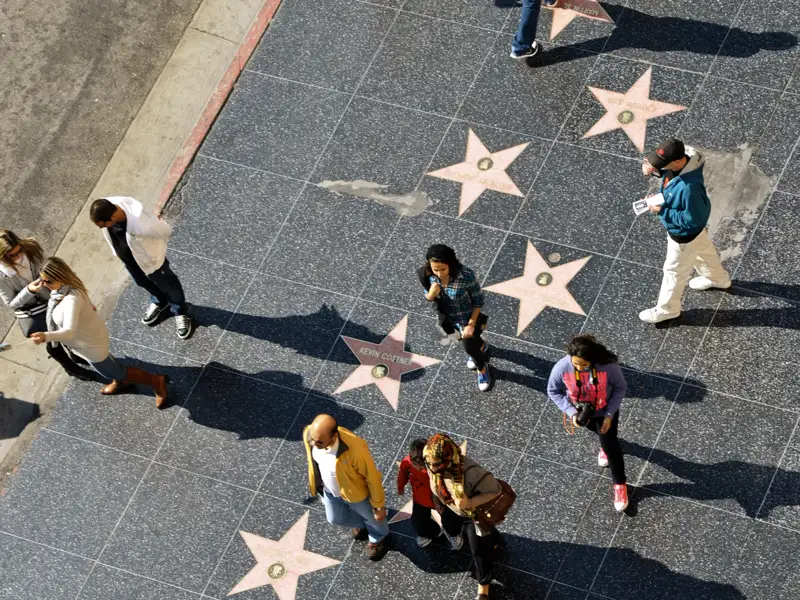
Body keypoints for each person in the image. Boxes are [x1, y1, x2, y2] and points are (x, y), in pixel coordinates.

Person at [28, 257, 169, 408]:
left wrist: (45, 336)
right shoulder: (65, 289)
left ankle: (155, 381)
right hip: (88, 338)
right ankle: (120, 381)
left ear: (60, 277)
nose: (44, 285)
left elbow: (68, 332)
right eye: (42, 280)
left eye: (48, 281)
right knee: (109, 364)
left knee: (113, 371)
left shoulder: (71, 299)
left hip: (90, 344)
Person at [638, 138, 731, 324]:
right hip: (695, 234)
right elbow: (668, 175)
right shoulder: (682, 166)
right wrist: (655, 170)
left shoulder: (689, 189)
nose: (662, 167)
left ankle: (667, 309)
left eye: (664, 165)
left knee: (673, 271)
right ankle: (718, 279)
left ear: (679, 162)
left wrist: (661, 210)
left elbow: (690, 220)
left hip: (683, 236)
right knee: (704, 252)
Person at [89, 197, 194, 339]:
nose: (104, 228)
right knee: (142, 282)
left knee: (170, 286)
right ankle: (160, 301)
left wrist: (156, 255)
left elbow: (164, 230)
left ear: (112, 216)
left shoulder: (140, 222)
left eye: (104, 225)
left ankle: (181, 312)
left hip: (152, 262)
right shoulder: (108, 209)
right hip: (131, 262)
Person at [0, 230, 98, 381]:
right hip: (35, 310)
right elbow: (12, 304)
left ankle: (75, 354)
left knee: (68, 329)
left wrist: (86, 299)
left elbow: (56, 270)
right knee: (53, 340)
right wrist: (29, 291)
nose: (18, 256)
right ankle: (70, 367)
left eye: (20, 250)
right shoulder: (2, 275)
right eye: (12, 255)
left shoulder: (32, 248)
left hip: (55, 297)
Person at [546, 334, 629, 511]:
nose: (579, 368)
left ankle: (620, 484)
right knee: (601, 436)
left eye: (584, 365)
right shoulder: (562, 366)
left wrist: (609, 414)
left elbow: (620, 387)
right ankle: (603, 446)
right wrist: (571, 412)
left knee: (611, 445)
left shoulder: (607, 366)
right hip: (582, 412)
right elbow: (553, 391)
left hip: (605, 411)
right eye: (576, 364)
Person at [424, 434, 503, 600]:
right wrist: (436, 499)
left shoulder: (471, 472)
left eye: (435, 464)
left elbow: (496, 490)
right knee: (450, 527)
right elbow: (433, 480)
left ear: (447, 457)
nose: (432, 467)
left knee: (479, 552)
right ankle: (493, 538)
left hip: (473, 515)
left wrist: (469, 502)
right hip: (451, 509)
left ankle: (484, 586)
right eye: (429, 463)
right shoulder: (435, 466)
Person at [303, 414, 390, 560]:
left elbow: (372, 477)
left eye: (319, 442)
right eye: (312, 439)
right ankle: (368, 524)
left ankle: (379, 538)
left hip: (355, 494)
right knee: (335, 519)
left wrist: (379, 506)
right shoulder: (310, 434)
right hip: (330, 490)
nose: (312, 444)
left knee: (373, 517)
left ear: (334, 436)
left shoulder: (355, 449)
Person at [422, 244, 491, 391]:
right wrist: (430, 295)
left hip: (467, 318)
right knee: (470, 342)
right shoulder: (427, 275)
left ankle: (482, 369)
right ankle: (481, 346)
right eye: (436, 269)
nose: (439, 273)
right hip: (448, 319)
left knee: (469, 348)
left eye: (443, 269)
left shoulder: (465, 275)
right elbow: (427, 294)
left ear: (451, 264)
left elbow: (478, 301)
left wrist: (471, 325)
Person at [397, 438, 441, 548]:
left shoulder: (437, 466)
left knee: (453, 521)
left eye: (422, 464)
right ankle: (434, 531)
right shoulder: (407, 463)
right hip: (420, 499)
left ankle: (455, 532)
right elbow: (402, 474)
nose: (418, 467)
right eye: (414, 462)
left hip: (441, 500)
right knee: (418, 522)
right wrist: (400, 487)